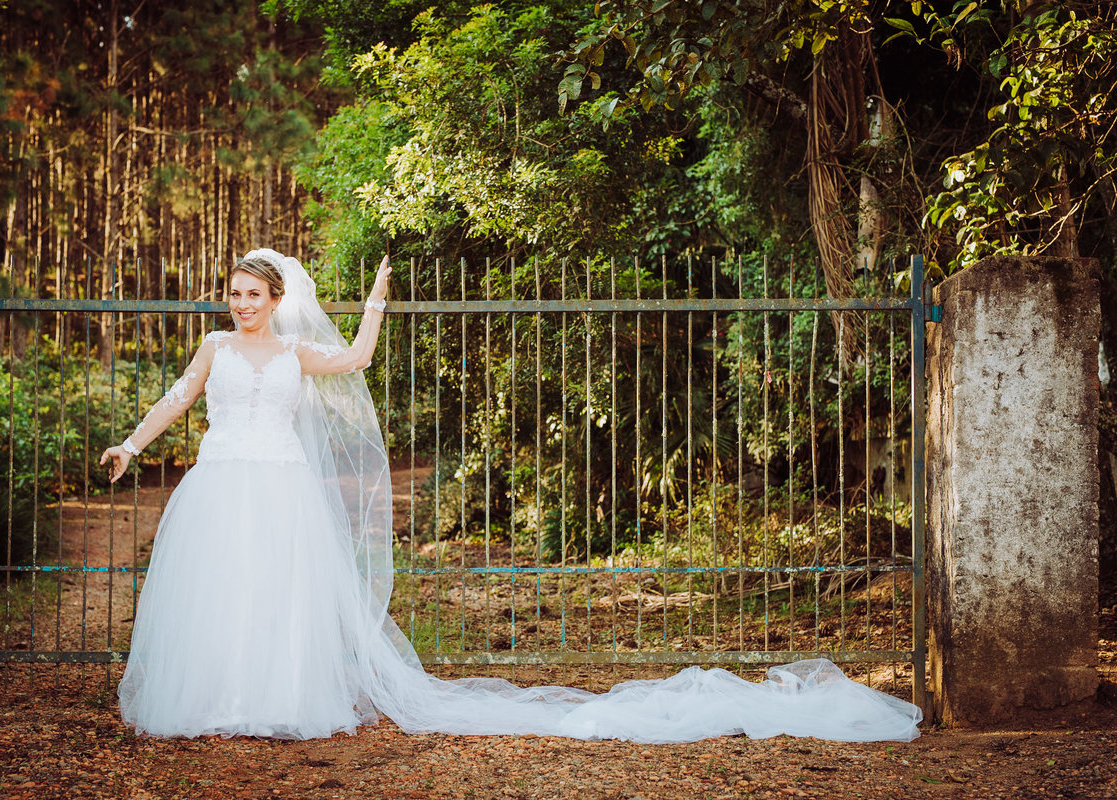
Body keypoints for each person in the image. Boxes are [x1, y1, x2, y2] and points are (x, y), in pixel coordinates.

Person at [103, 248, 922, 743]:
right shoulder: (212, 346)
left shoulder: (294, 355)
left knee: (274, 598)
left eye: (254, 295)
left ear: (276, 300)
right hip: (221, 484)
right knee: (222, 594)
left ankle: (269, 701)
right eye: (235, 295)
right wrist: (132, 444)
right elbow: (177, 398)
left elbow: (354, 359)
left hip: (278, 487)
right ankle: (217, 698)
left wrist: (380, 300)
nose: (242, 304)